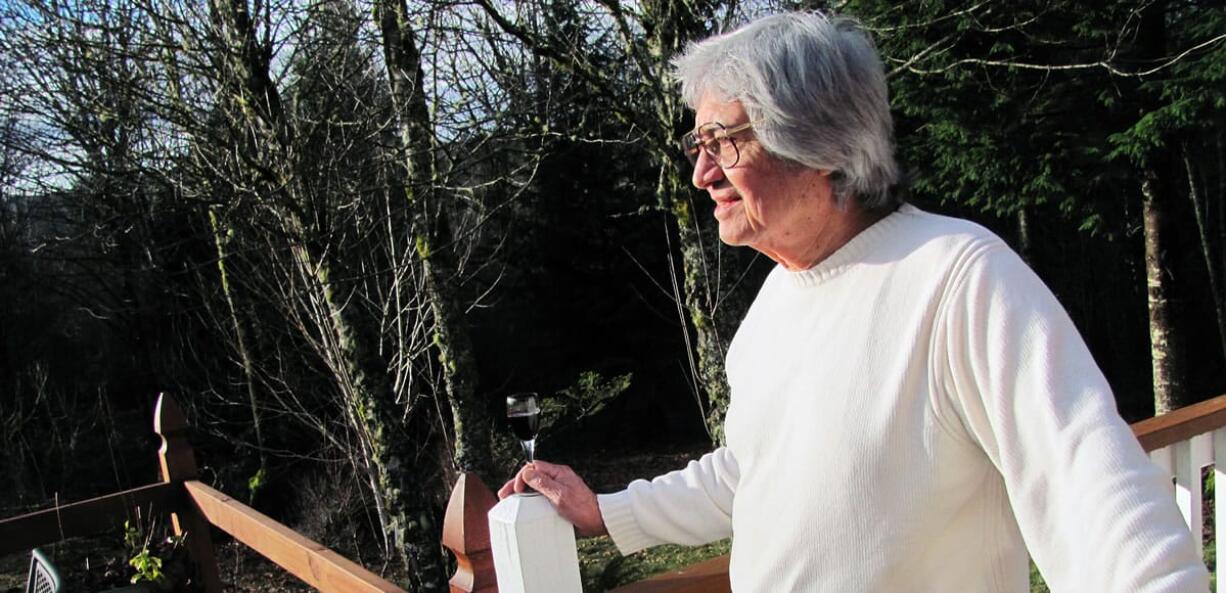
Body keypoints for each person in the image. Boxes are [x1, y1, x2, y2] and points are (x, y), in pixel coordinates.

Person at [499, 11, 1209, 593]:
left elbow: (1093, 493)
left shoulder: (957, 277)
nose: (701, 170)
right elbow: (750, 470)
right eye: (698, 141)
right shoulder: (780, 296)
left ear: (822, 146)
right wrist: (608, 510)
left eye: (723, 140)